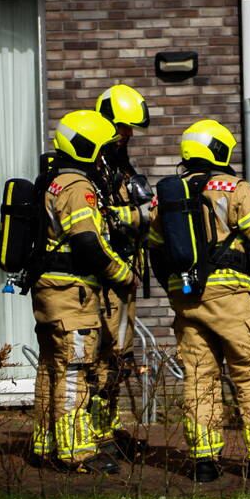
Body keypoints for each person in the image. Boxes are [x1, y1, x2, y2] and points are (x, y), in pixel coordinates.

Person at [147, 120, 250, 483]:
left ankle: (203, 461)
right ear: (220, 150)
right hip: (232, 300)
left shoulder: (166, 195)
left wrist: (174, 292)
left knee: (199, 379)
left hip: (188, 300)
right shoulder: (234, 189)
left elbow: (155, 250)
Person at [30, 110, 138, 474]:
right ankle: (77, 451)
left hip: (49, 290)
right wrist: (122, 274)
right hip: (71, 292)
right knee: (76, 368)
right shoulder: (78, 187)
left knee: (52, 368)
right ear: (88, 146)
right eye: (102, 148)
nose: (106, 155)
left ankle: (45, 444)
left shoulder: (53, 180)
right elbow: (88, 243)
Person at [90, 84, 153, 459]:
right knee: (102, 359)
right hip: (105, 278)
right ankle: (96, 433)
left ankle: (109, 426)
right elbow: (99, 221)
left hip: (125, 275)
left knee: (120, 358)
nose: (127, 135)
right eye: (123, 128)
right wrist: (137, 213)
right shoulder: (93, 166)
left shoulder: (119, 164)